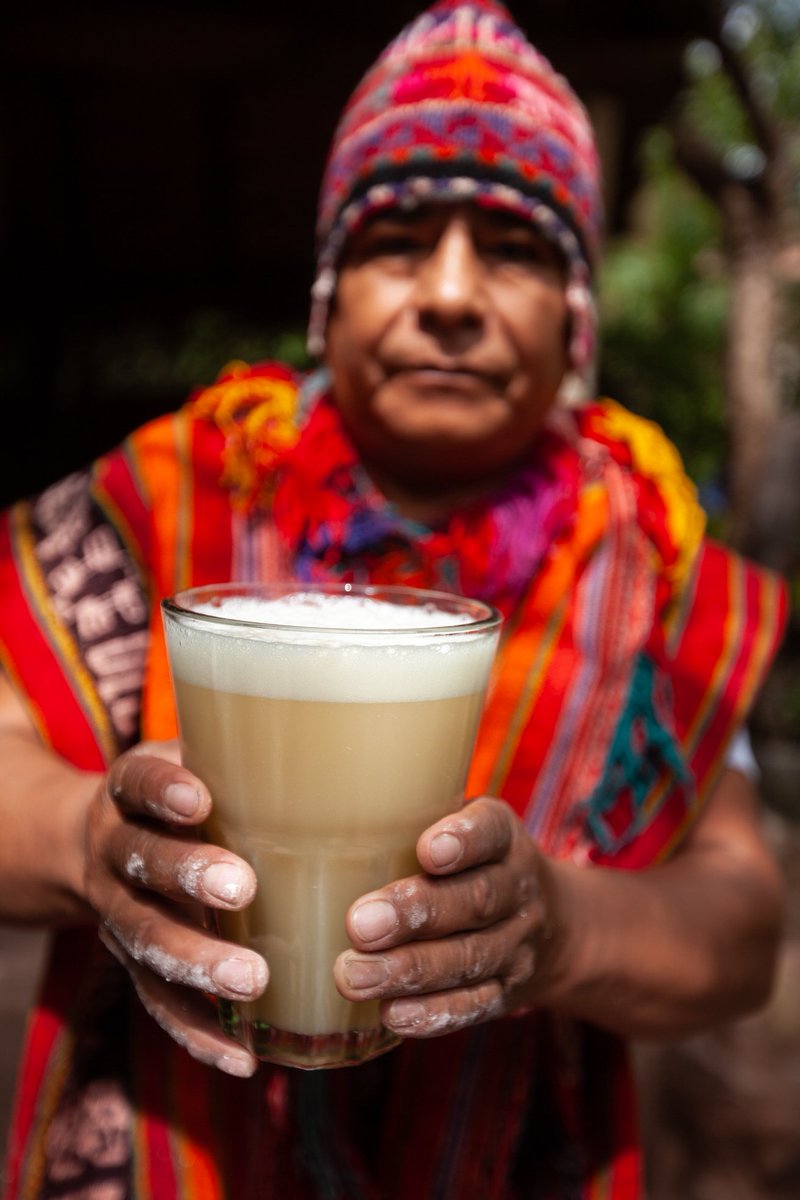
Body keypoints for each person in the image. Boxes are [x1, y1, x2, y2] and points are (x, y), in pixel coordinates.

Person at [0, 2, 788, 1196]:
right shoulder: (172, 494)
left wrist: (559, 928)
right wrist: (85, 842)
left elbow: (738, 929)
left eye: (514, 249)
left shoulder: (655, 570)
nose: (450, 294)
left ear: (574, 316)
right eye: (397, 241)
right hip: (164, 1151)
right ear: (331, 290)